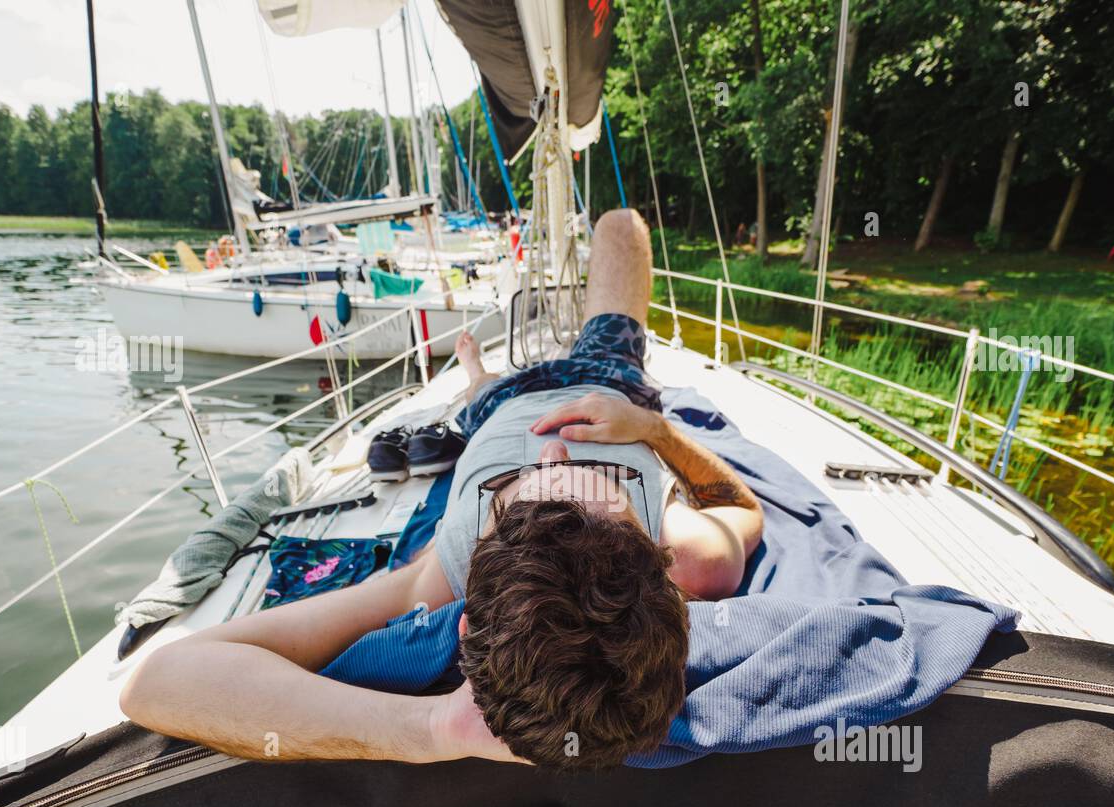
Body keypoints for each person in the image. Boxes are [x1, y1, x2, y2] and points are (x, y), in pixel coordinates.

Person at [121, 209, 763, 772]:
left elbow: (158, 681)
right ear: (656, 559)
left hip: (496, 414)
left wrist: (432, 731)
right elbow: (738, 509)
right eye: (599, 487)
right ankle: (479, 377)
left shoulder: (436, 578)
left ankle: (477, 380)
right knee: (621, 225)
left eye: (534, 486)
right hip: (610, 385)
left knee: (481, 396)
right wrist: (654, 432)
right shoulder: (693, 559)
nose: (555, 449)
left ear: (463, 621)